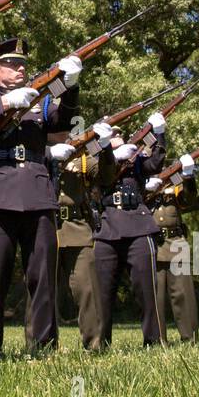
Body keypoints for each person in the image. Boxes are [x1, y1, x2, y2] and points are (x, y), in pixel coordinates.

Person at [0, 39, 82, 357]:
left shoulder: (38, 100)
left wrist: (70, 88)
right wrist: (5, 104)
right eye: (13, 64)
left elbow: (62, 124)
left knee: (42, 276)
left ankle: (43, 344)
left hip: (37, 191)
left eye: (23, 65)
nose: (20, 69)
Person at [92, 117, 168, 347]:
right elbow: (100, 175)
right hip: (106, 226)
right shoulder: (92, 160)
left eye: (118, 134)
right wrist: (110, 154)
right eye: (111, 135)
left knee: (146, 290)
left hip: (138, 223)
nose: (117, 137)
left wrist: (160, 134)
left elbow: (155, 165)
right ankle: (99, 343)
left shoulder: (135, 160)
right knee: (102, 292)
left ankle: (154, 341)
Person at [47, 129, 118, 351]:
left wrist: (106, 147)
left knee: (87, 289)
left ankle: (95, 344)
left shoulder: (81, 156)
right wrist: (48, 154)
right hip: (45, 225)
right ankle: (41, 345)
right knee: (41, 289)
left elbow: (107, 177)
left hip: (77, 227)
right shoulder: (36, 147)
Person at [150, 134, 199, 343]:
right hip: (152, 243)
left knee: (183, 295)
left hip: (176, 242)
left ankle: (190, 338)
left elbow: (188, 199)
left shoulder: (175, 178)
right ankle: (157, 340)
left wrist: (188, 177)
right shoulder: (139, 174)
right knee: (155, 298)